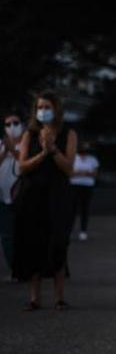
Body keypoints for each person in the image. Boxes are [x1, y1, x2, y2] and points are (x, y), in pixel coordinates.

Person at [13, 91, 77, 310]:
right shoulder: (29, 135)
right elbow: (21, 167)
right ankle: (34, 298)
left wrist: (53, 149)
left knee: (59, 243)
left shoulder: (68, 134)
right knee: (33, 243)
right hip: (33, 196)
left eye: (47, 107)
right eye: (40, 107)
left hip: (58, 195)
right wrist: (42, 153)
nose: (43, 111)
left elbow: (69, 168)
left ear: (56, 109)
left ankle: (59, 297)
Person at [1, 111, 25, 275]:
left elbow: (26, 163)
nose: (12, 127)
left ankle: (25, 269)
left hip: (20, 196)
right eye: (8, 124)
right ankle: (15, 270)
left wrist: (14, 151)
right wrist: (5, 151)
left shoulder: (27, 143)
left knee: (22, 234)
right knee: (7, 236)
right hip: (2, 197)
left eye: (15, 123)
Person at [70, 143, 99, 241]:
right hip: (74, 186)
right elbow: (70, 173)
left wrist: (79, 172)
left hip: (87, 186)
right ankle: (69, 230)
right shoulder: (73, 158)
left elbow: (94, 174)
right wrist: (85, 173)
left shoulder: (93, 160)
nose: (83, 154)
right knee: (72, 209)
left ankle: (83, 231)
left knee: (84, 209)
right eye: (81, 152)